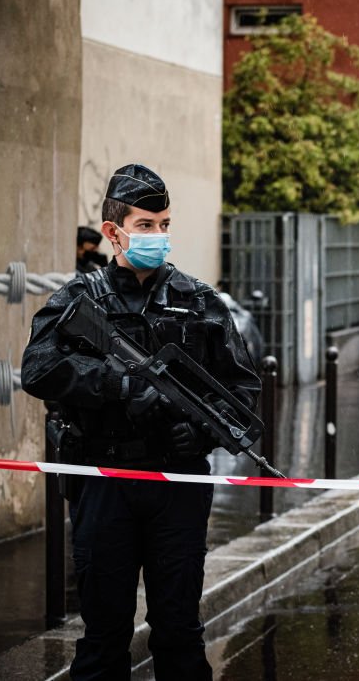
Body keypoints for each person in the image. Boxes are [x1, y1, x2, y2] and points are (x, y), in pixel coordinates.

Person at [21, 164, 260, 680]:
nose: (159, 235)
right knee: (104, 636)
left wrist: (198, 431)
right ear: (114, 231)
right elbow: (38, 368)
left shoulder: (199, 301)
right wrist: (117, 386)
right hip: (104, 480)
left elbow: (243, 390)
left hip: (177, 483)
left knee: (178, 629)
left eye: (165, 224)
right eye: (147, 225)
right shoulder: (79, 298)